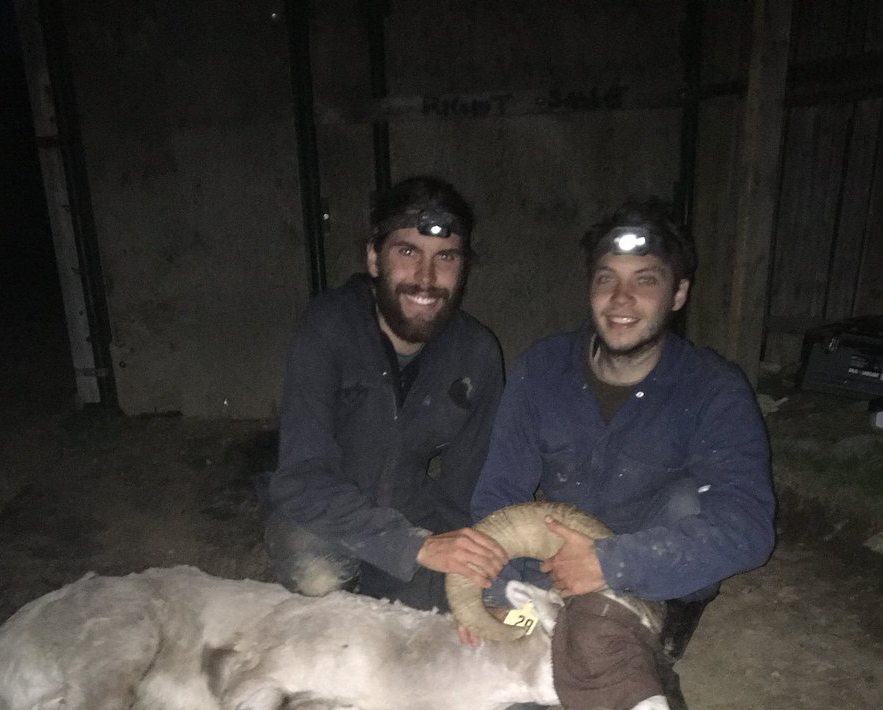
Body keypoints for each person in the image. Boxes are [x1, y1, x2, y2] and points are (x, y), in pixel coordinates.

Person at [471, 196, 776, 666]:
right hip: (550, 568)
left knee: (689, 504)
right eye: (606, 278)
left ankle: (662, 634)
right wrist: (502, 586)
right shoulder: (542, 368)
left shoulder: (714, 389)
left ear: (678, 294)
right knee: (518, 687)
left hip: (647, 571)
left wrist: (611, 562)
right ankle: (560, 633)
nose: (620, 298)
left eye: (645, 280)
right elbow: (499, 492)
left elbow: (748, 528)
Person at [262, 175, 509, 612]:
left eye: (446, 257)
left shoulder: (477, 352)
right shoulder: (328, 327)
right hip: (326, 516)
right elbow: (301, 478)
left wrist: (469, 564)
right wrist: (413, 547)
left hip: (414, 513)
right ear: (375, 258)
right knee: (314, 571)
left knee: (502, 599)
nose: (426, 278)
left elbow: (470, 490)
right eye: (408, 252)